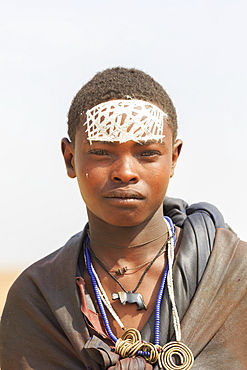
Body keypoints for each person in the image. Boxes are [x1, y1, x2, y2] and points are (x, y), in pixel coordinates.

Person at [0, 67, 246, 370]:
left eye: (147, 153)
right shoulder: (39, 298)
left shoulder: (236, 277)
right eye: (102, 152)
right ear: (70, 158)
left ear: (173, 158)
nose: (125, 171)